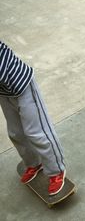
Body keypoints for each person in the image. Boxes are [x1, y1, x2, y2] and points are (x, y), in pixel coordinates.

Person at [0, 40, 66, 195]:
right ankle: (33, 163)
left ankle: (56, 171)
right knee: (15, 132)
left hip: (22, 85)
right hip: (4, 92)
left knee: (37, 131)